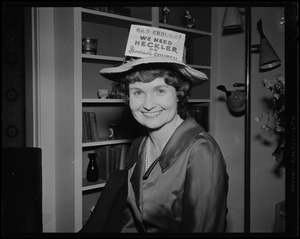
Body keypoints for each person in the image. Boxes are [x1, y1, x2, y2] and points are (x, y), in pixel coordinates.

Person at [79, 56, 229, 233]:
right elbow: (131, 221)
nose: (148, 105)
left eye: (160, 91)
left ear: (179, 95)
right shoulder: (139, 146)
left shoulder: (202, 152)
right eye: (137, 92)